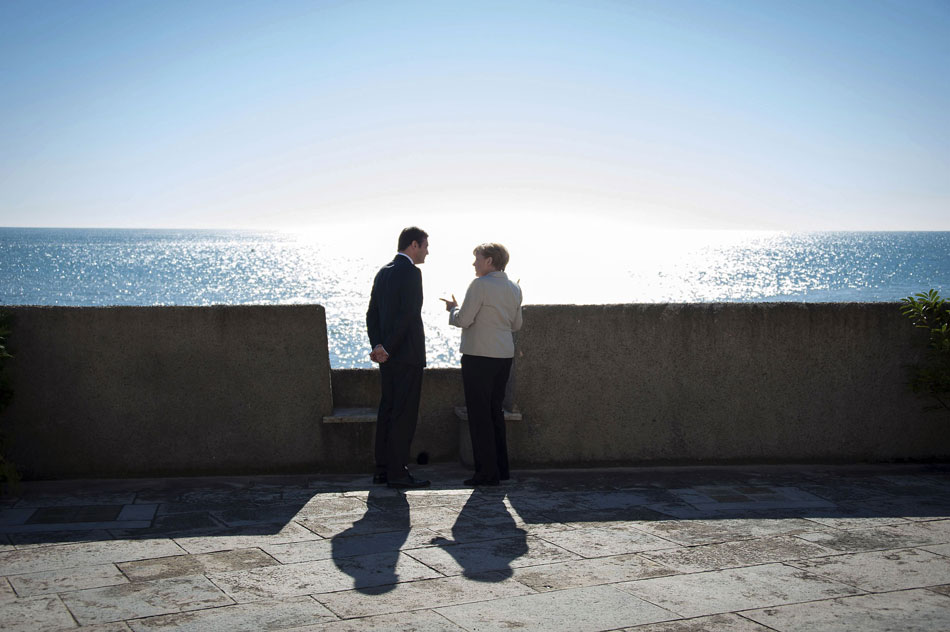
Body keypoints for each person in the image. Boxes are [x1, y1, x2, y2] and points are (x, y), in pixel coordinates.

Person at [442, 242, 523, 486]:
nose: (474, 263)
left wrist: (453, 309)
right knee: (495, 412)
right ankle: (500, 469)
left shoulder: (480, 285)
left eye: (477, 258)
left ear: (489, 261)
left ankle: (486, 473)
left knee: (479, 415)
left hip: (479, 357)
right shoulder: (514, 289)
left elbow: (464, 320)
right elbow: (516, 325)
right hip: (503, 357)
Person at [366, 226, 430, 489]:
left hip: (388, 358)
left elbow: (371, 314)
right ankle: (398, 473)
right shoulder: (412, 273)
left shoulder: (383, 272)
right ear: (413, 245)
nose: (428, 251)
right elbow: (409, 315)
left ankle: (382, 470)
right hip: (406, 356)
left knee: (387, 410)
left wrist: (379, 346)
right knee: (404, 414)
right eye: (425, 245)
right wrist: (389, 347)